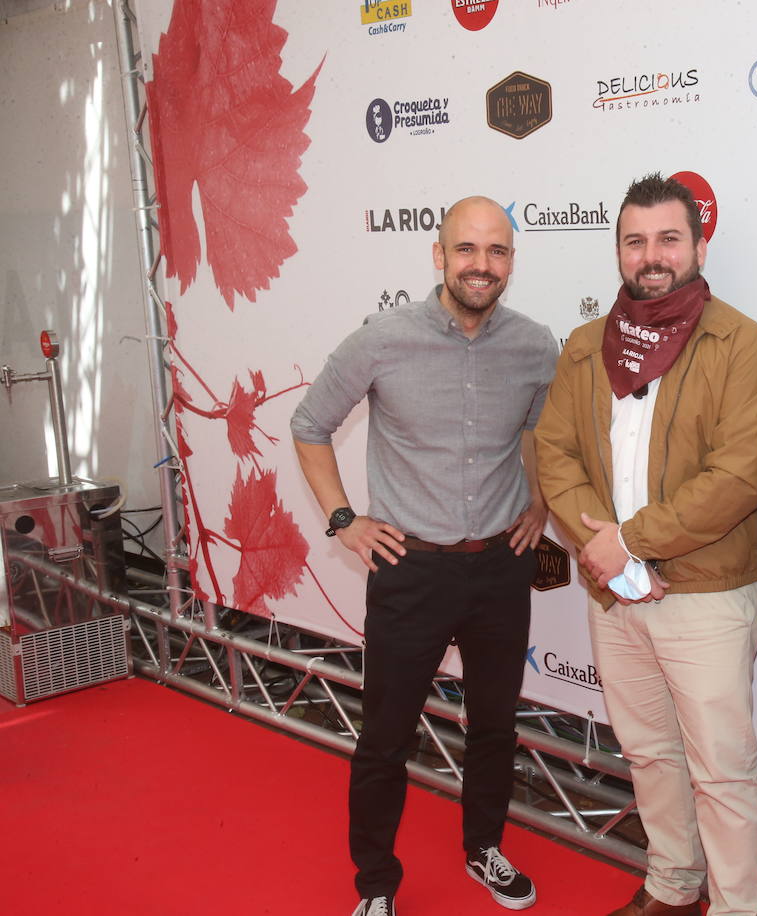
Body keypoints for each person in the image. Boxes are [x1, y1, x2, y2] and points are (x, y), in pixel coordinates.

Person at [290, 197, 558, 916]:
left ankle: (484, 850)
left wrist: (540, 504)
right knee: (386, 735)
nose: (482, 265)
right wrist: (344, 519)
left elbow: (538, 432)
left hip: (501, 567)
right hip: (410, 569)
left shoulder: (536, 346)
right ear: (439, 256)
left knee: (496, 726)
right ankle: (376, 883)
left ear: (510, 262)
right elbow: (310, 424)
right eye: (467, 250)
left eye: (496, 252)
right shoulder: (383, 339)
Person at [534, 173, 757, 916]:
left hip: (702, 594)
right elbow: (556, 455)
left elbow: (740, 477)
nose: (652, 255)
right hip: (615, 595)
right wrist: (605, 550)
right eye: (636, 240)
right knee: (648, 756)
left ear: (698, 246)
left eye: (668, 239)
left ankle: (738, 907)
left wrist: (630, 544)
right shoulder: (586, 346)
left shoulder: (742, 346)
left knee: (722, 771)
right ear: (618, 250)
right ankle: (673, 888)